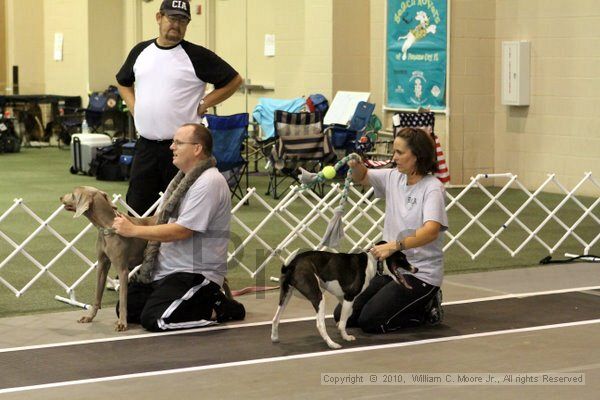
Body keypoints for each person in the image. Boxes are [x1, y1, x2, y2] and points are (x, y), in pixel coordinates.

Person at [112, 123, 245, 332]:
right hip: (166, 272)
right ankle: (197, 303)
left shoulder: (209, 181)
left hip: (195, 273)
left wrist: (133, 230)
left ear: (197, 148)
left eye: (178, 143)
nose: (171, 147)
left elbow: (182, 230)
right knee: (127, 309)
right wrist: (117, 219)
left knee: (155, 320)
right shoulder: (180, 181)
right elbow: (159, 220)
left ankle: (218, 307)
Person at [116, 0, 243, 216]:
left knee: (181, 212)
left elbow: (234, 80)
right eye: (172, 18)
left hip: (182, 149)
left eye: (183, 20)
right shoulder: (140, 51)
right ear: (159, 17)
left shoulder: (197, 56)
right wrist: (134, 107)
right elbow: (122, 81)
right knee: (137, 211)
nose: (177, 24)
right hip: (145, 146)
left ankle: (175, 251)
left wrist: (205, 103)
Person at [337, 127, 448, 333]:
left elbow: (431, 231)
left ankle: (425, 309)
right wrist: (356, 164)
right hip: (392, 271)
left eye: (399, 152)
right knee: (344, 315)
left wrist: (394, 246)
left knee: (371, 322)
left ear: (416, 156)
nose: (393, 157)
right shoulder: (392, 177)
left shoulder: (432, 188)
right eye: (393, 151)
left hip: (420, 275)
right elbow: (363, 177)